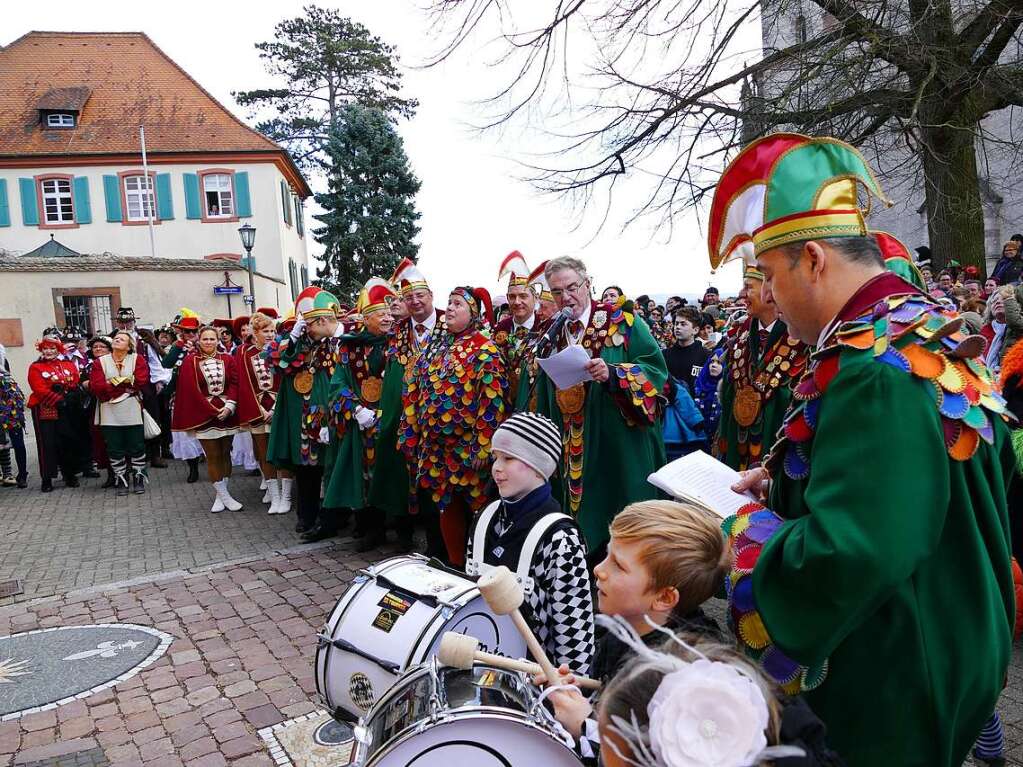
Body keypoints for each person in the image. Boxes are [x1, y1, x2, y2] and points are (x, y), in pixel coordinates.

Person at [711, 133, 1014, 766]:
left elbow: (856, 548)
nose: (767, 294)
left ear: (814, 261)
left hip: (905, 661)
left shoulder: (875, 368)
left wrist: (745, 534)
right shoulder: (917, 327)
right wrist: (789, 484)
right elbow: (920, 486)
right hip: (946, 629)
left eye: (769, 274)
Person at [543, 499, 730, 762]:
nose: (598, 570)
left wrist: (585, 725)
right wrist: (582, 694)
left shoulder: (677, 676)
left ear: (664, 598)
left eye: (618, 565)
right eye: (607, 555)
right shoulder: (627, 630)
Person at [533, 256, 668, 564]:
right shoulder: (553, 332)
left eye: (572, 287)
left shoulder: (622, 321)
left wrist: (614, 373)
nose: (566, 297)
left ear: (588, 284)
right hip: (572, 440)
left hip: (618, 440)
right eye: (557, 291)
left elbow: (656, 370)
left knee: (625, 515)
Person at [466, 411, 595, 672]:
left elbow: (575, 639)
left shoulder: (560, 539)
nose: (496, 468)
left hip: (534, 687)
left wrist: (568, 696)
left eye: (509, 458)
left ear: (539, 467)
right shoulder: (485, 519)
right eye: (495, 457)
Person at [400, 286, 507, 567]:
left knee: (478, 513)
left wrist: (483, 446)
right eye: (449, 302)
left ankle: (482, 568)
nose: (449, 308)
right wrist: (410, 432)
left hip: (467, 452)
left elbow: (492, 405)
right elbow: (412, 390)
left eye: (457, 304)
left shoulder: (485, 350)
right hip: (435, 452)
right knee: (445, 510)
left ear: (473, 313)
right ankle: (453, 565)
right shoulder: (433, 347)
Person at [324, 278, 400, 551]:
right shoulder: (348, 346)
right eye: (381, 314)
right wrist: (356, 409)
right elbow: (338, 384)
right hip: (362, 421)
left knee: (394, 473)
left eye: (390, 313)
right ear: (366, 318)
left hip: (393, 420)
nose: (388, 318)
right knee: (365, 476)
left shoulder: (399, 342)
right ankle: (372, 530)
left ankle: (401, 531)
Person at [266, 287, 345, 541]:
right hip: (300, 415)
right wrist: (294, 336)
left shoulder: (335, 341)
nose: (310, 327)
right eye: (306, 322)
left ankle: (335, 516)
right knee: (305, 467)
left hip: (327, 411)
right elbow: (278, 362)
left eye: (313, 322)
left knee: (331, 465)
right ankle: (306, 516)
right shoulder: (293, 340)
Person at [714, 264, 807, 472]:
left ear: (770, 289)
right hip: (737, 450)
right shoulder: (739, 335)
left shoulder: (803, 336)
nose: (741, 294)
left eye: (748, 287)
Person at [171, 325, 241, 513]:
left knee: (226, 453)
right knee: (213, 456)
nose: (209, 342)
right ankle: (225, 496)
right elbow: (191, 389)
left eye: (212, 339)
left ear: (218, 340)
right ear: (199, 341)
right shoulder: (190, 361)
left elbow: (235, 383)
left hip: (228, 413)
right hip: (204, 415)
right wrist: (210, 409)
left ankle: (221, 496)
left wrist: (230, 406)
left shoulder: (228, 359)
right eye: (205, 339)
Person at [236, 311, 290, 515]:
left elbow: (286, 381)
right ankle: (274, 495)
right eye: (266, 331)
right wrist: (259, 410)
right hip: (257, 410)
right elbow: (244, 384)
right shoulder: (245, 353)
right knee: (265, 454)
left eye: (273, 331)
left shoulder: (281, 351)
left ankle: (286, 496)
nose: (270, 335)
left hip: (279, 408)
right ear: (255, 333)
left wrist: (275, 409)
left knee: (282, 453)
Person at [90, 330, 150, 496]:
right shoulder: (100, 362)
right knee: (115, 447)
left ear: (129, 345)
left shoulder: (137, 359)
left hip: (131, 408)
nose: (117, 340)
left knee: (136, 445)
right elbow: (97, 386)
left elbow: (141, 380)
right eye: (116, 338)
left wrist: (113, 383)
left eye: (122, 339)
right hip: (109, 409)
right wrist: (122, 384)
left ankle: (138, 477)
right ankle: (121, 478)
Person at [27, 334, 87, 492]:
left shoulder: (66, 364)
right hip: (45, 408)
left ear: (58, 349)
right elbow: (38, 388)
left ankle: (69, 474)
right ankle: (47, 478)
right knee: (47, 444)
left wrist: (69, 395)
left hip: (66, 408)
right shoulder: (36, 367)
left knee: (67, 441)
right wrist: (57, 399)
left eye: (52, 348)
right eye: (45, 348)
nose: (48, 351)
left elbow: (74, 379)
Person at [113, 307, 170, 468]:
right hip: (122, 385)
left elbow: (154, 361)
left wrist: (159, 381)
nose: (125, 326)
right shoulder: (112, 339)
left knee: (152, 418)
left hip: (146, 384)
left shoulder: (144, 338)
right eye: (122, 322)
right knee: (129, 420)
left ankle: (155, 455)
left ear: (134, 321)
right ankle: (136, 455)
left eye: (128, 322)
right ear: (117, 323)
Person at [492, 251, 545, 409]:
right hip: (502, 405)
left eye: (523, 296)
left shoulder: (545, 327)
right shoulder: (500, 328)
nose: (517, 302)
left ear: (535, 297)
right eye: (512, 296)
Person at [162, 312, 205, 482]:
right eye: (187, 332)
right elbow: (167, 363)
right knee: (186, 434)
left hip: (204, 394)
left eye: (194, 332)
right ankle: (193, 468)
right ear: (182, 333)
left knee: (207, 431)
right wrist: (179, 345)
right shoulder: (177, 347)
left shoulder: (206, 345)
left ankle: (215, 466)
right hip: (181, 395)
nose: (191, 335)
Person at [662, 306, 710, 394]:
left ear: (695, 330)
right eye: (676, 323)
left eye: (683, 324)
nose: (678, 327)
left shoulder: (706, 356)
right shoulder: (664, 355)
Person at [0, 360, 27, 488]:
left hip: (11, 412)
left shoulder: (8, 381)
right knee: (2, 444)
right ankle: (6, 474)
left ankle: (22, 475)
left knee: (18, 444)